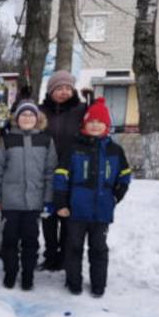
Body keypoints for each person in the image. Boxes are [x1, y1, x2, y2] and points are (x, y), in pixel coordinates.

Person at [54, 97, 131, 298]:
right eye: (91, 121)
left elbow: (124, 175)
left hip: (102, 210)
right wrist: (61, 203)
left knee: (98, 248)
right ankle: (73, 282)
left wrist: (116, 196)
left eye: (100, 121)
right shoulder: (73, 148)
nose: (95, 125)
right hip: (75, 209)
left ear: (106, 125)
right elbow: (61, 176)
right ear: (85, 124)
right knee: (73, 247)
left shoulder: (115, 150)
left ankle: (98, 284)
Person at [0, 100, 56, 291]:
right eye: (23, 115)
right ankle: (10, 272)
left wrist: (49, 200)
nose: (27, 118)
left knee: (30, 241)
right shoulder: (7, 140)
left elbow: (51, 172)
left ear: (37, 118)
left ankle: (28, 275)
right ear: (17, 119)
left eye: (31, 115)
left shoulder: (46, 140)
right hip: (11, 202)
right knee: (9, 240)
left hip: (34, 202)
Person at [39, 70, 87, 272]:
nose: (64, 92)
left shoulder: (81, 110)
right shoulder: (41, 111)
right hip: (47, 171)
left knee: (68, 216)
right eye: (59, 88)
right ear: (51, 91)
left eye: (68, 88)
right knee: (48, 216)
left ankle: (66, 257)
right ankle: (50, 256)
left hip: (72, 172)